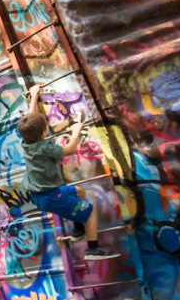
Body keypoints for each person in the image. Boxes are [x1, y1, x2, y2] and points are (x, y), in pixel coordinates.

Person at [18, 84, 119, 261]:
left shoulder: (27, 143)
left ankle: (78, 228)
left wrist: (34, 96)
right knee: (90, 210)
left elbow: (30, 118)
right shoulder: (46, 148)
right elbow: (70, 149)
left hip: (41, 195)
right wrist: (76, 132)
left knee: (79, 192)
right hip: (51, 196)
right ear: (44, 131)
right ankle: (93, 249)